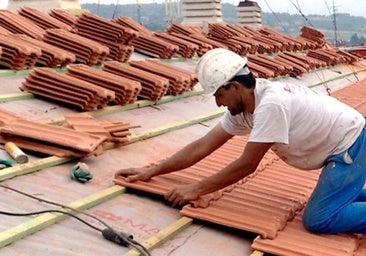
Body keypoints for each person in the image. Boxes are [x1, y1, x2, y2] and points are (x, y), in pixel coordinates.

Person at [115, 48, 366, 234]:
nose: (218, 103)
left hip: (352, 145)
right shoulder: (244, 109)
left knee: (318, 219)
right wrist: (152, 170)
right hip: (346, 144)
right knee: (331, 204)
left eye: (219, 95)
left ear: (234, 87)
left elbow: (247, 164)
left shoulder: (270, 105)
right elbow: (203, 145)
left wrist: (197, 189)